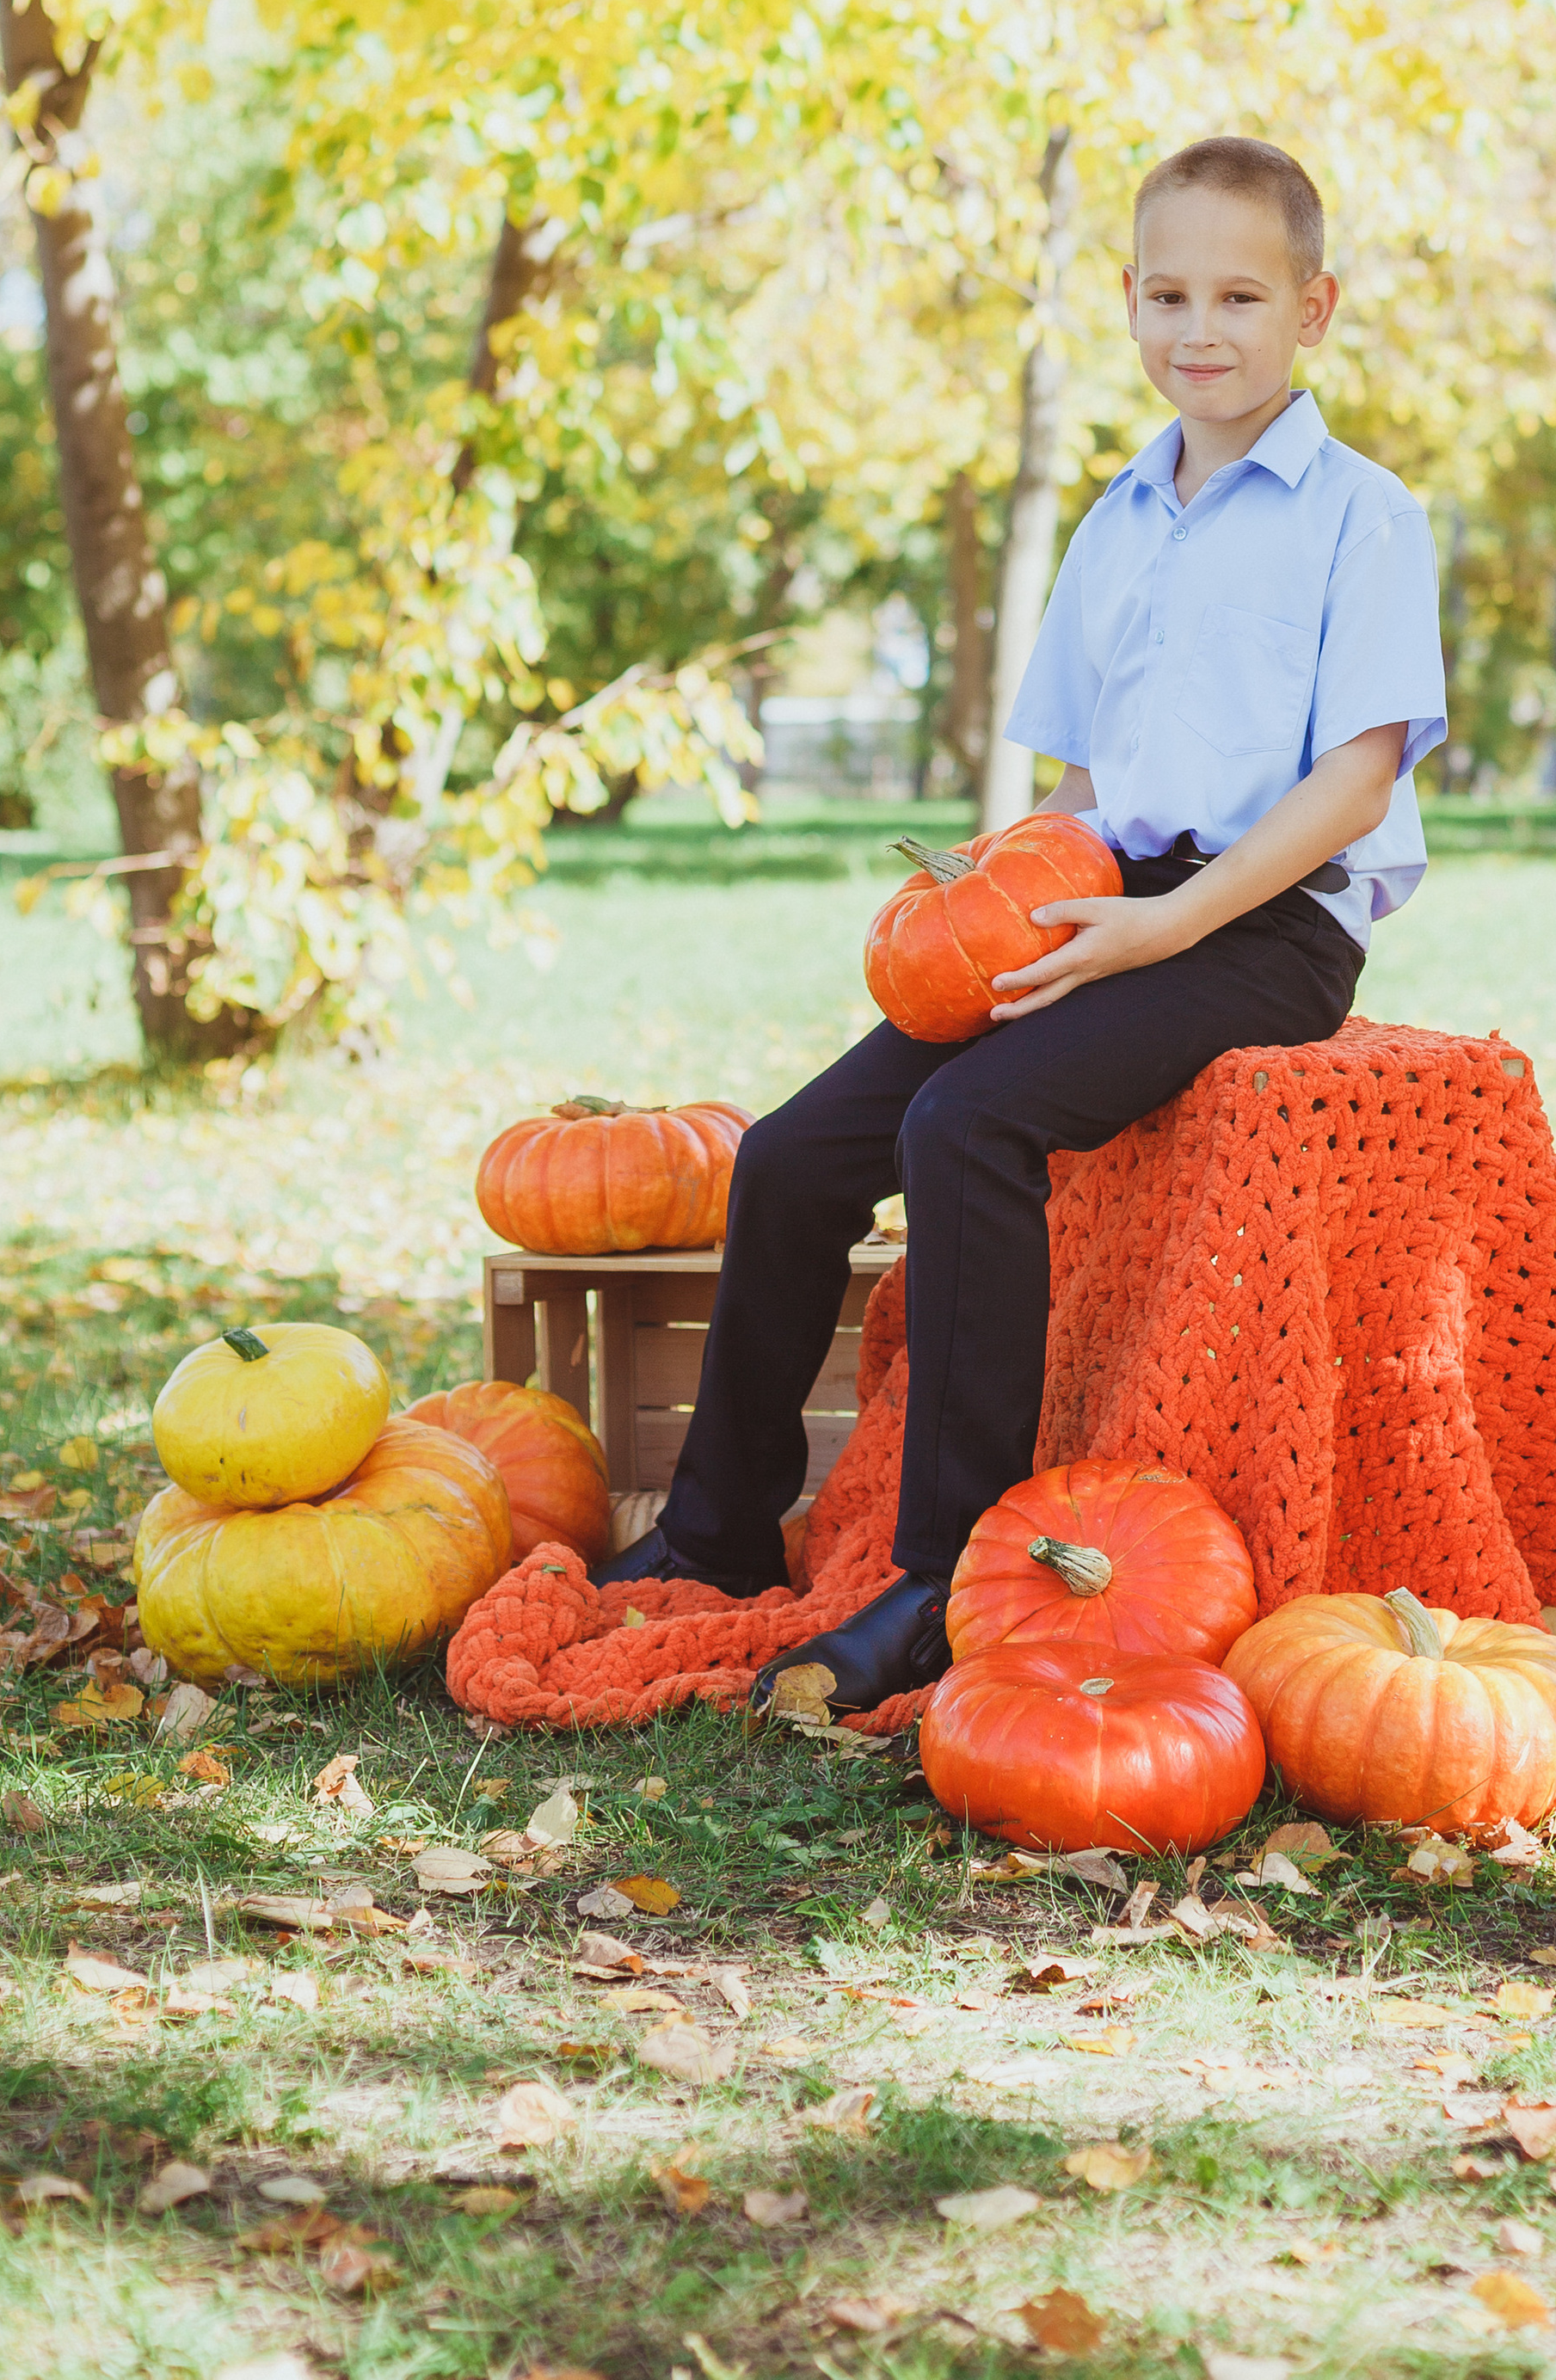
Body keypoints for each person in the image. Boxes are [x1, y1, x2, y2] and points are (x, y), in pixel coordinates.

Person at [593, 132, 1448, 1713]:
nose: (1205, 327)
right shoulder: (1117, 520)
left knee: (972, 1125)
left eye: (1242, 295)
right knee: (793, 1153)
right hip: (1104, 894)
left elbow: (1357, 777)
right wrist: (1020, 915)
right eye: (1172, 293)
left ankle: (941, 1575)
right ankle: (714, 1528)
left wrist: (1165, 927)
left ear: (1313, 309)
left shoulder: (1362, 516)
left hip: (1269, 924)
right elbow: (1076, 777)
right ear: (1128, 303)